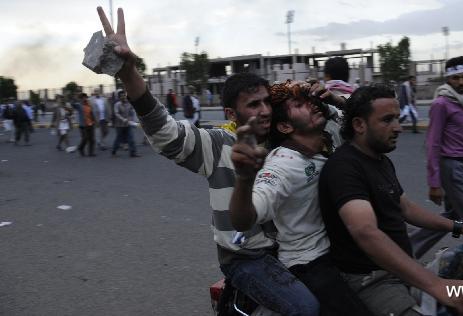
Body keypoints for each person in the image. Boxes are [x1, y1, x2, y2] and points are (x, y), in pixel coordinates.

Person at [94, 7, 319, 315]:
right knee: (306, 309)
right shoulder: (218, 144)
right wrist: (130, 73)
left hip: (291, 248)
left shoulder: (284, 139)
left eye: (267, 102)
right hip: (246, 258)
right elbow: (166, 134)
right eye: (254, 104)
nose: (264, 111)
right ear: (231, 114)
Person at [318, 85, 463, 316]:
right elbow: (365, 232)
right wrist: (435, 284)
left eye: (397, 118)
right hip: (373, 280)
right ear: (359, 125)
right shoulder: (344, 168)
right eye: (387, 120)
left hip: (402, 268)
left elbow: (404, 207)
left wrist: (459, 227)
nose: (398, 127)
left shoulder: (380, 160)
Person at [229, 81, 373, 315]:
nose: (312, 105)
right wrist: (244, 179)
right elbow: (246, 218)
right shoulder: (283, 164)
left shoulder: (329, 136)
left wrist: (334, 100)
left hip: (341, 249)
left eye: (310, 101)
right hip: (309, 262)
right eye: (299, 104)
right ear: (285, 126)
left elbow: (368, 117)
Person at [409, 56, 463, 263]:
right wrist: (434, 183)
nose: (461, 82)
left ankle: (408, 249)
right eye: (455, 78)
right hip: (451, 167)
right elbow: (433, 144)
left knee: (455, 217)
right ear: (448, 79)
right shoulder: (441, 103)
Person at [111, 90, 140, 157]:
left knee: (131, 138)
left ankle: (133, 153)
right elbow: (116, 113)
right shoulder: (117, 105)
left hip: (128, 124)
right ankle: (114, 151)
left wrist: (133, 121)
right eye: (122, 96)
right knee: (118, 139)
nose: (123, 97)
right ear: (119, 97)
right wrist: (123, 119)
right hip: (119, 125)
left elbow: (132, 112)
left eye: (124, 95)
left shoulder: (129, 103)